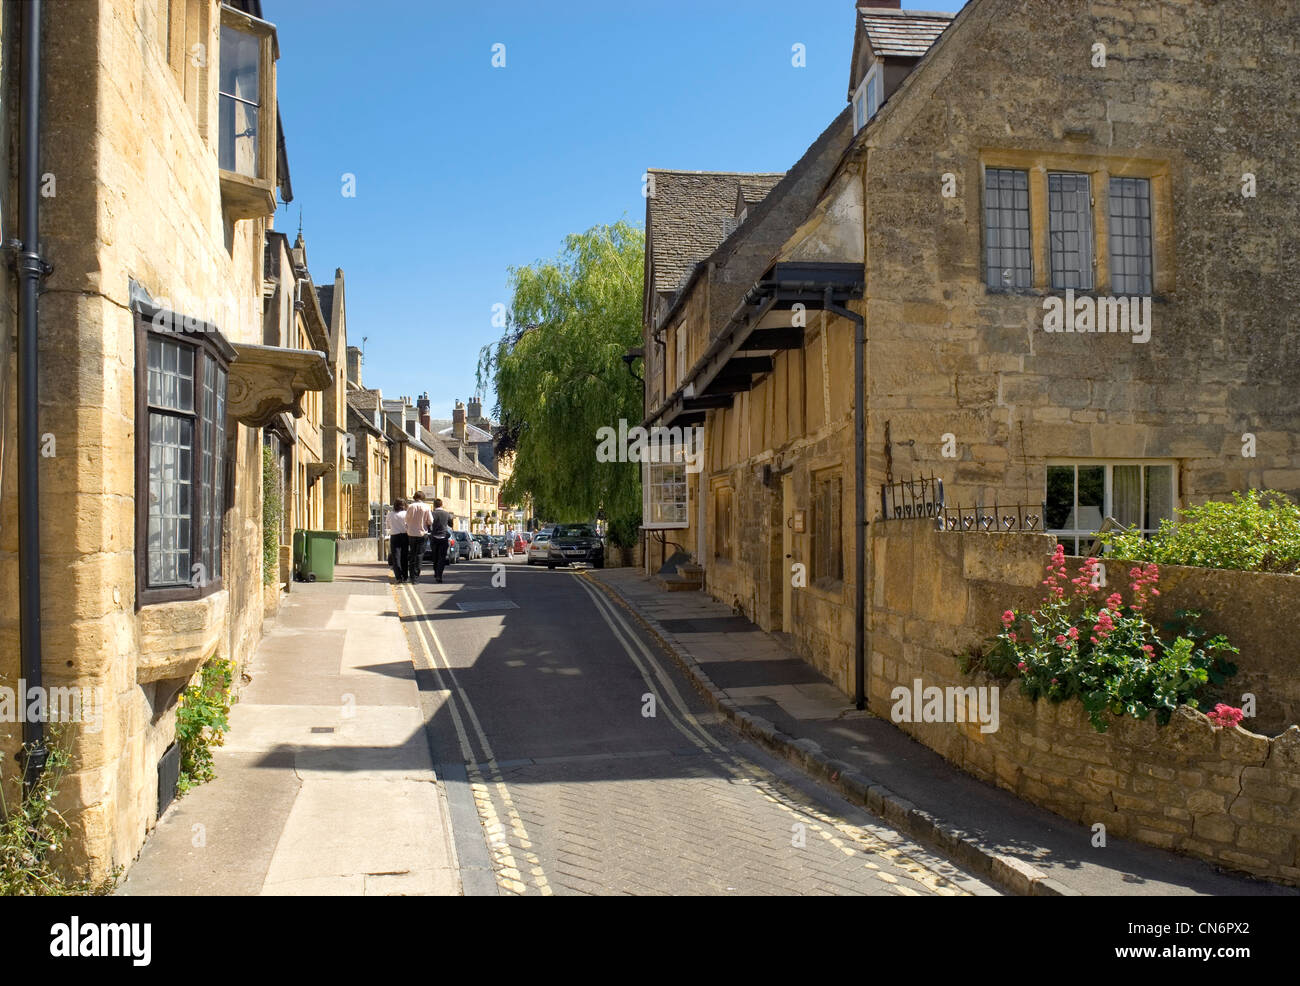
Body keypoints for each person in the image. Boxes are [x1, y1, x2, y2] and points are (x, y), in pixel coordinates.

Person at [405, 491, 433, 582]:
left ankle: (411, 575)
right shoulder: (426, 507)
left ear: (414, 497)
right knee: (419, 555)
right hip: (422, 533)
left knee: (412, 554)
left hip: (411, 533)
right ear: (423, 498)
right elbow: (430, 521)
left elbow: (406, 519)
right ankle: (416, 576)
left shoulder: (410, 506)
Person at [428, 497, 454, 583]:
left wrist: (430, 531)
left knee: (435, 557)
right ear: (441, 504)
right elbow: (451, 524)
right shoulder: (447, 514)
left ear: (434, 505)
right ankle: (439, 575)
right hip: (443, 538)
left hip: (434, 537)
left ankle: (436, 572)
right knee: (442, 558)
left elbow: (428, 524)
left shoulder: (432, 513)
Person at [388, 499, 408, 582]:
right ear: (403, 505)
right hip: (405, 535)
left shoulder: (390, 514)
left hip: (394, 536)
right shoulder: (406, 514)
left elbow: (388, 526)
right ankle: (405, 576)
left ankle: (398, 577)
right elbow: (408, 525)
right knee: (404, 556)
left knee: (396, 557)